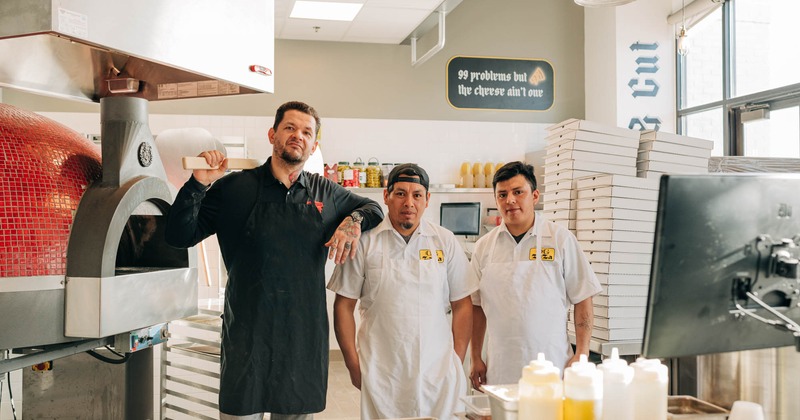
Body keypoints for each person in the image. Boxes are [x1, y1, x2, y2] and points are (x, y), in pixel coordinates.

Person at [165, 101, 384, 420]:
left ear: (314, 145)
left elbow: (373, 209)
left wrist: (353, 222)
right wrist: (198, 184)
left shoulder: (325, 192)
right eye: (290, 128)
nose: (298, 136)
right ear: (273, 134)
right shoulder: (233, 188)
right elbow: (178, 236)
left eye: (307, 132)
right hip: (247, 340)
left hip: (302, 340)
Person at [327, 163, 476, 420]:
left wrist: (456, 359)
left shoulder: (444, 241)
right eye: (400, 194)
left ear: (427, 200)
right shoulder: (365, 242)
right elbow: (343, 305)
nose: (409, 202)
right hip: (383, 375)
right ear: (386, 196)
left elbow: (463, 303)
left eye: (417, 195)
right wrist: (353, 364)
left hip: (437, 373)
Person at [469, 161, 601, 388]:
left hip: (553, 365)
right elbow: (476, 307)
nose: (510, 200)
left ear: (535, 196)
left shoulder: (560, 239)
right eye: (502, 195)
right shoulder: (483, 248)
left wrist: (581, 353)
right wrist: (475, 358)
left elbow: (583, 297)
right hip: (501, 369)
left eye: (518, 192)